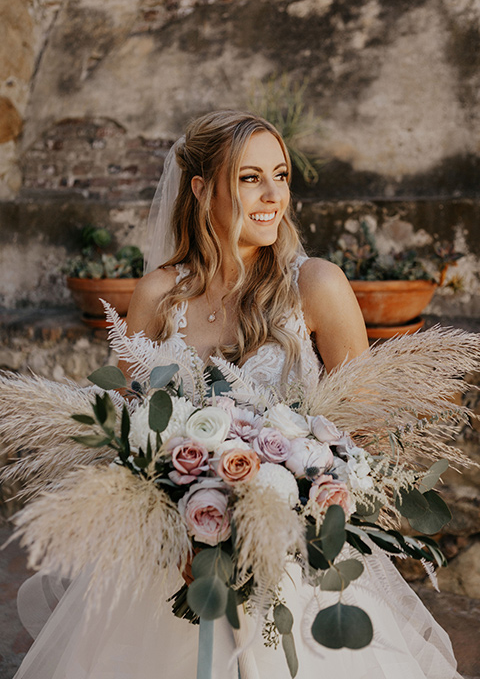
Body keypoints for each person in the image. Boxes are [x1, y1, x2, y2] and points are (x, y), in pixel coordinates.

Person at [13, 110, 461, 679]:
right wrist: (173, 519)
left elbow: (362, 436)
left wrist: (299, 507)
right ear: (202, 190)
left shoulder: (317, 285)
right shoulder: (157, 293)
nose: (273, 195)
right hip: (175, 561)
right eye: (250, 178)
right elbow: (126, 432)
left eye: (281, 175)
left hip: (291, 559)